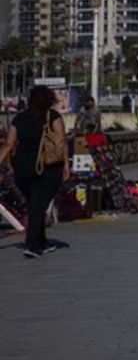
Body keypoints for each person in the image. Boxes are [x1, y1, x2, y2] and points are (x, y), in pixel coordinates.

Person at [0, 85, 70, 258]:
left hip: (22, 169)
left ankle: (41, 242)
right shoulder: (52, 117)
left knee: (35, 204)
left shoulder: (19, 119)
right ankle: (32, 245)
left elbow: (8, 144)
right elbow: (61, 142)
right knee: (38, 207)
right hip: (47, 168)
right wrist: (67, 165)